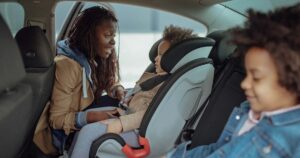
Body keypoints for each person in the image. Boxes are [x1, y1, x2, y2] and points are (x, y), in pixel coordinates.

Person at [170, 3, 300, 158]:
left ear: (294, 79)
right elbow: (221, 150)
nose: (244, 84)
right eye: (247, 75)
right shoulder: (248, 110)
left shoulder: (290, 141)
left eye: (256, 77)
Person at [70, 25, 199, 158]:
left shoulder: (174, 85)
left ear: (176, 58)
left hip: (140, 131)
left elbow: (152, 113)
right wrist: (125, 94)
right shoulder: (159, 77)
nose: (156, 58)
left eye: (161, 55)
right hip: (130, 116)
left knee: (87, 132)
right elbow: (141, 96)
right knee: (84, 125)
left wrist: (120, 124)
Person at [33, 6, 125, 155]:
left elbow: (107, 82)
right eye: (108, 35)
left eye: (114, 36)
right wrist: (92, 116)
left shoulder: (92, 58)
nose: (113, 42)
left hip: (79, 121)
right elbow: (56, 120)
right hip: (60, 140)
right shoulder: (67, 66)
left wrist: (116, 88)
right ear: (89, 35)